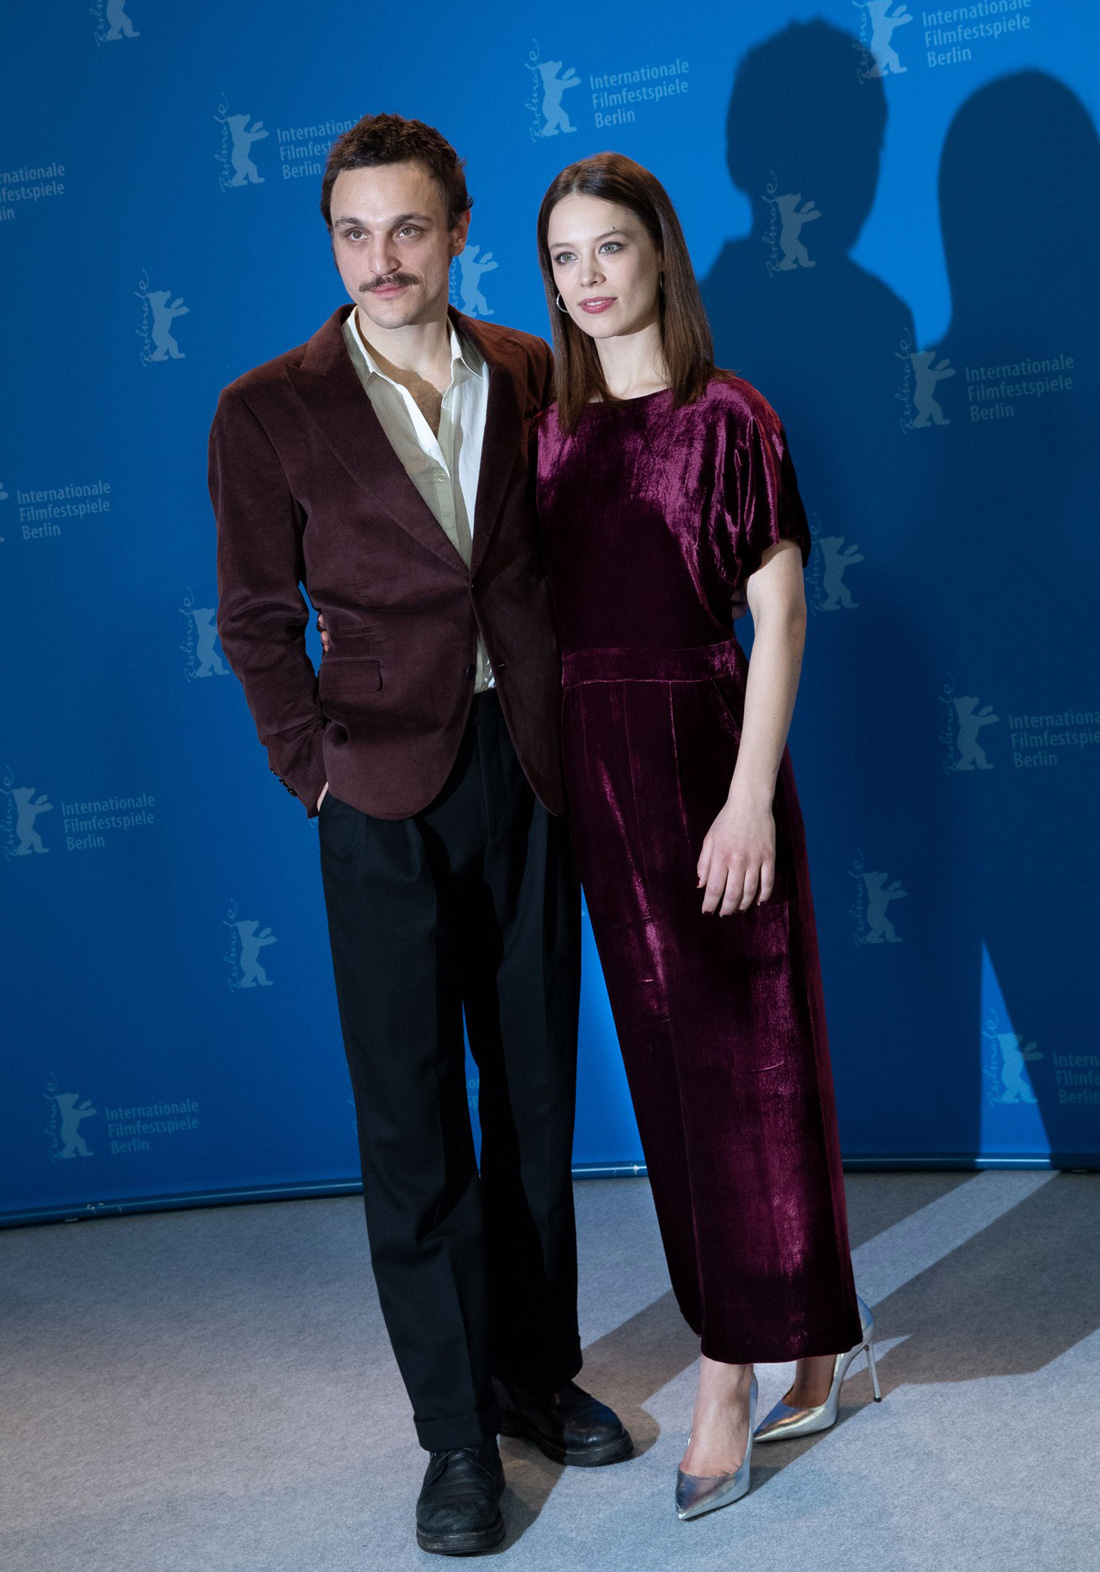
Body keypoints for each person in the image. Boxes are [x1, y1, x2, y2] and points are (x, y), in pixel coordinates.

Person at [209, 114, 630, 1558]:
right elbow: (256, 620)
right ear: (332, 245)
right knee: (411, 1124)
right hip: (378, 795)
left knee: (536, 1098)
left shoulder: (531, 368)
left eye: (406, 228)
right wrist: (312, 775)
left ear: (458, 232)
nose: (380, 259)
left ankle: (532, 1374)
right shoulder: (266, 410)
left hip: (531, 772)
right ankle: (456, 1436)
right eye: (353, 233)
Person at [533, 153, 879, 1521]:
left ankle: (728, 1372)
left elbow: (780, 616)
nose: (589, 278)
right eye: (564, 257)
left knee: (754, 1075)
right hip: (598, 779)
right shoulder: (548, 435)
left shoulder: (732, 418)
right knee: (676, 1089)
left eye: (611, 247)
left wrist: (746, 800)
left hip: (708, 760)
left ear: (659, 256)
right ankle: (815, 1344)